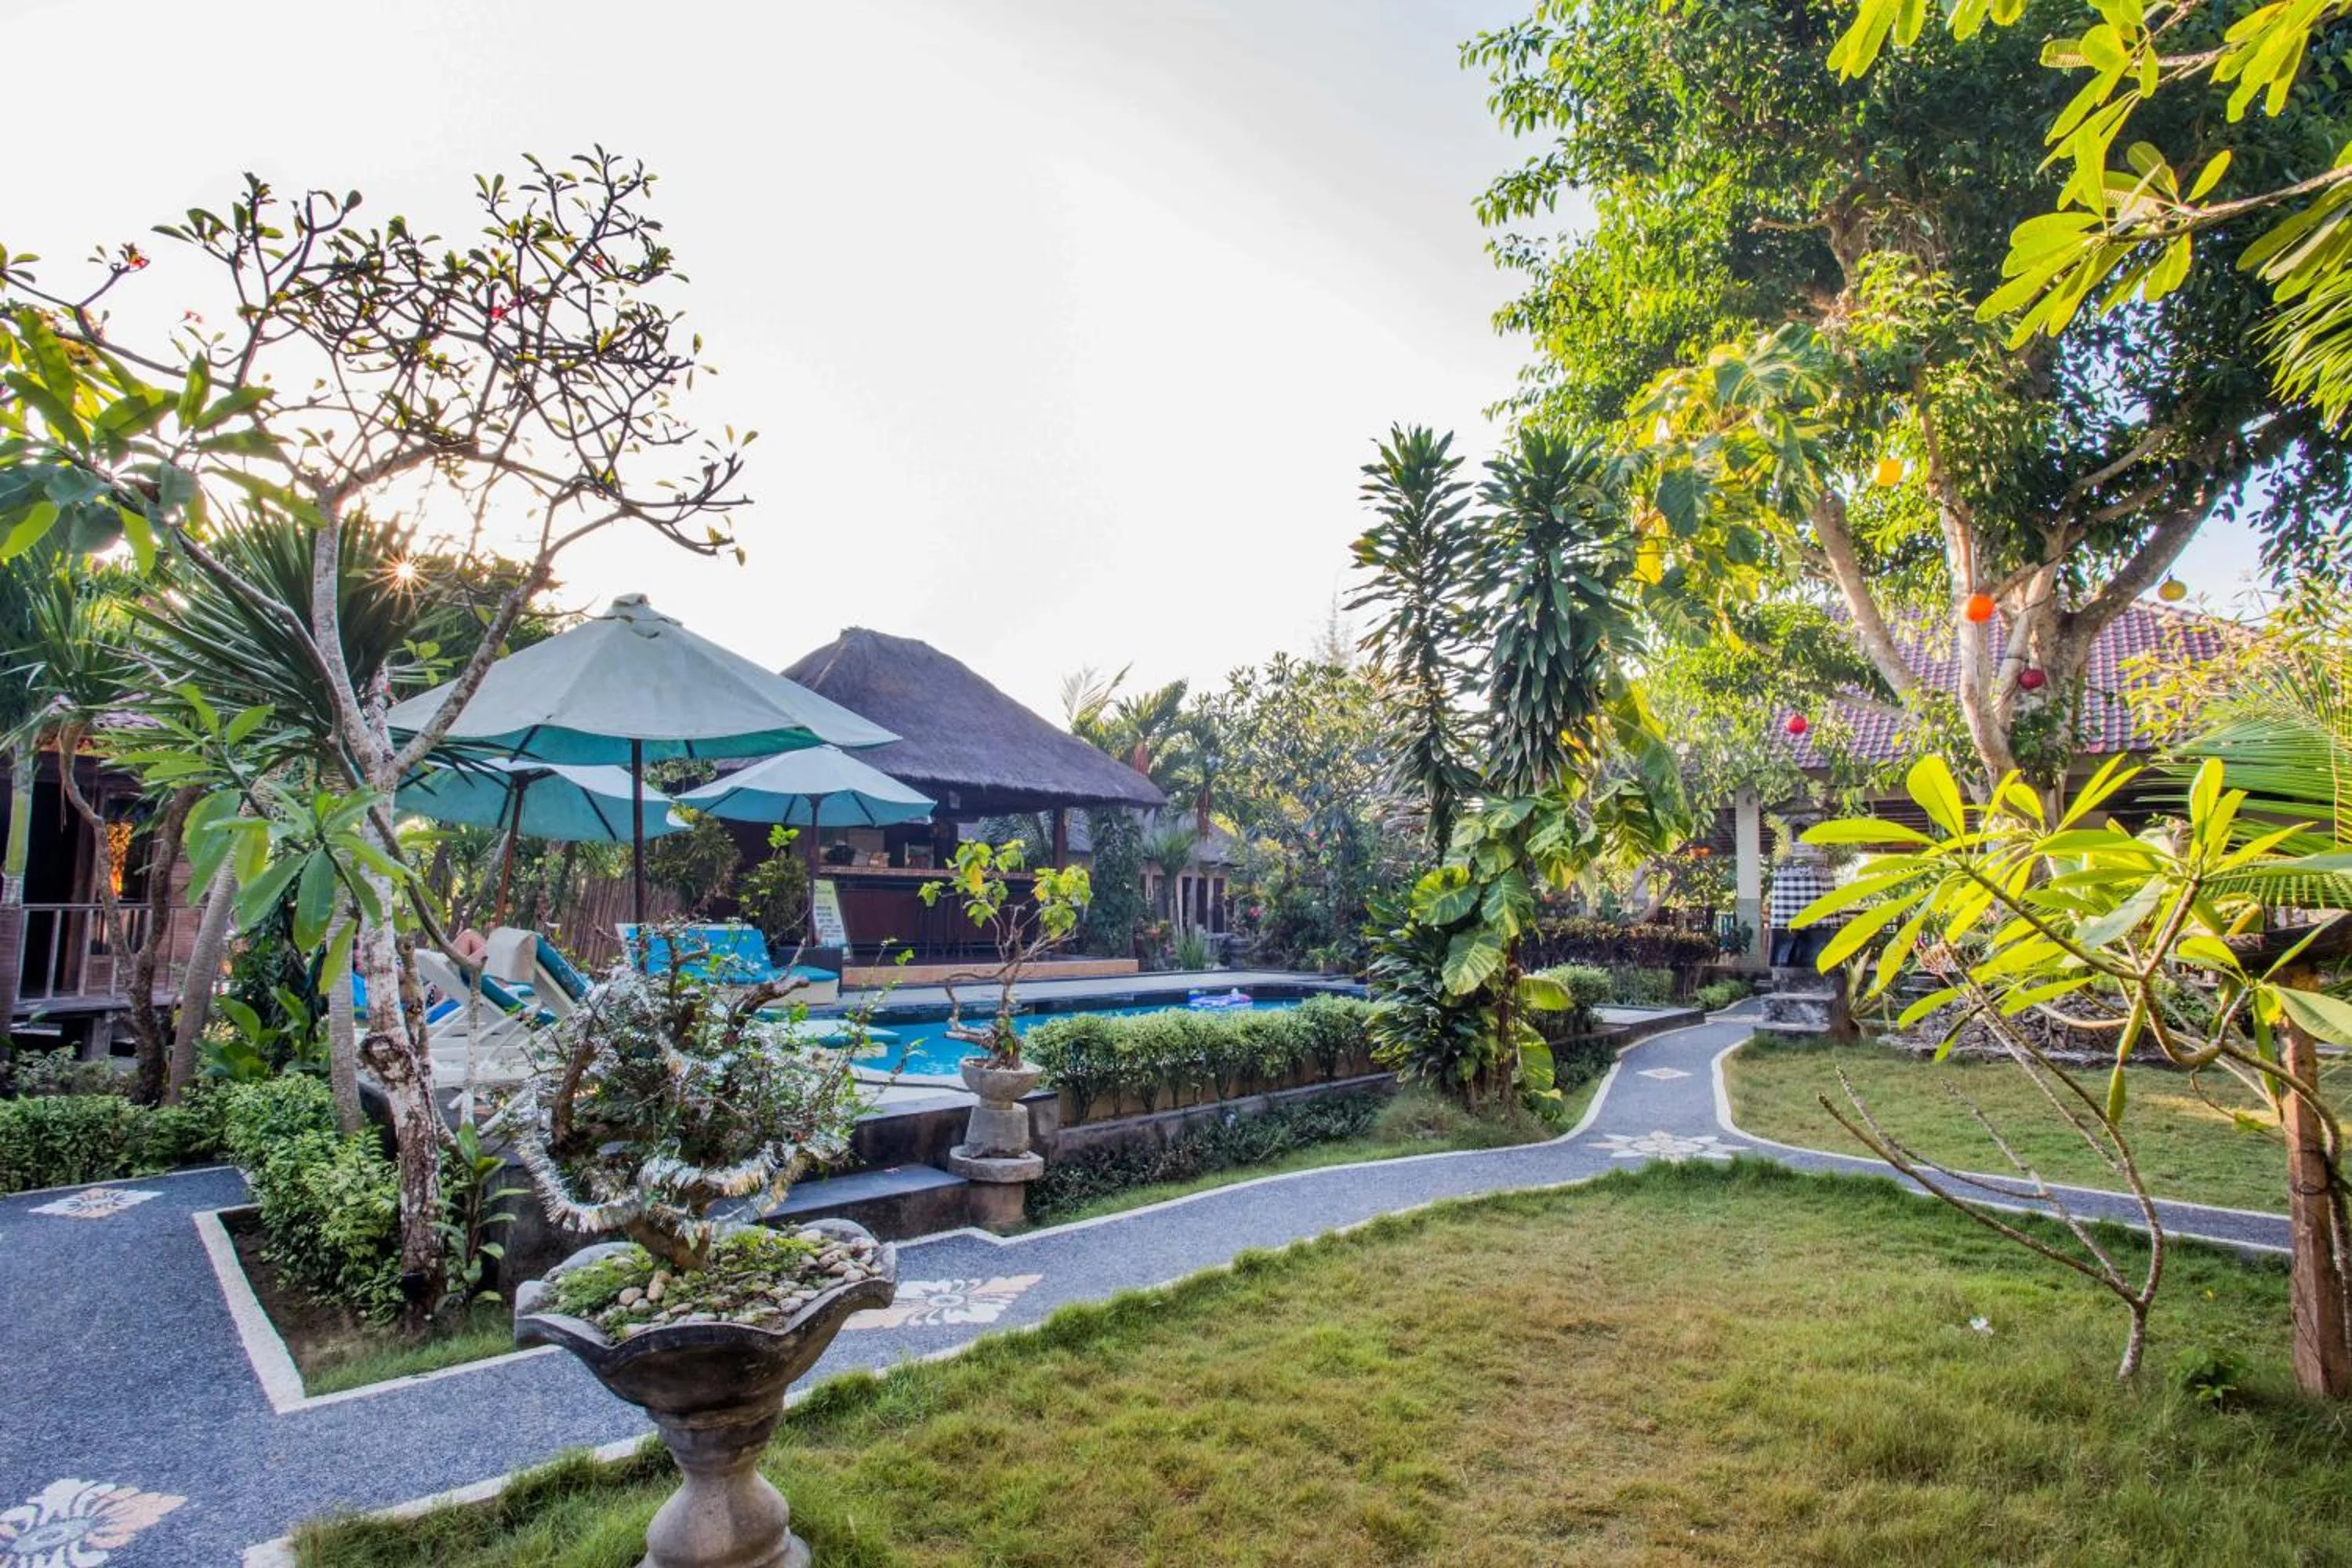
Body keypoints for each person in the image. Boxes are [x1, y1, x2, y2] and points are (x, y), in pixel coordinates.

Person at [1766, 846, 1831, 969]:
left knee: (1814, 938)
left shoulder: (1818, 872)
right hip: (1793, 921)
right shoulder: (1786, 871)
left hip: (1815, 924)